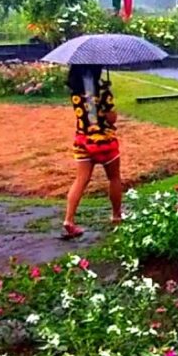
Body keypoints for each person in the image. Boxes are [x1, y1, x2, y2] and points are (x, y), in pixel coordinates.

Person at [63, 66, 122, 239]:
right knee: (114, 178)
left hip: (83, 141)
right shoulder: (102, 91)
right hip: (104, 142)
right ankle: (116, 215)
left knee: (81, 180)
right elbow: (111, 118)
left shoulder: (75, 92)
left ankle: (69, 219)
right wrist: (107, 96)